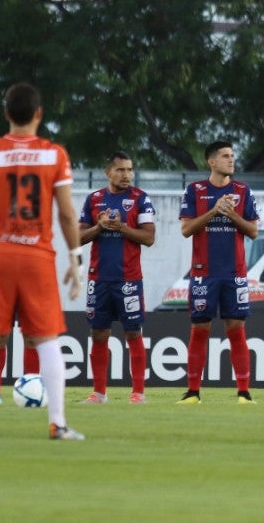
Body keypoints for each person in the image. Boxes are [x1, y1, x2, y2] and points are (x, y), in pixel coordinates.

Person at [0, 82, 85, 439]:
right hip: (38, 255)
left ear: (7, 113)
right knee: (48, 340)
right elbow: (68, 215)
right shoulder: (55, 155)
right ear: (38, 114)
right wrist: (75, 258)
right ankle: (58, 423)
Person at [177, 141, 259, 405]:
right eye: (225, 156)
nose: (231, 160)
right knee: (199, 330)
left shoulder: (243, 191)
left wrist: (232, 215)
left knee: (236, 330)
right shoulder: (195, 191)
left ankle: (244, 393)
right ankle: (193, 393)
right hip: (204, 273)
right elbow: (186, 229)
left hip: (234, 273)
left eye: (233, 156)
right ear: (212, 162)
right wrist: (214, 211)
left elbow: (254, 231)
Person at [78, 151, 156, 404]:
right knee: (99, 334)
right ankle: (99, 393)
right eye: (121, 170)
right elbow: (77, 238)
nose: (127, 175)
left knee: (133, 333)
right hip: (98, 279)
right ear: (108, 172)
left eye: (130, 170)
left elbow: (149, 238)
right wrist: (99, 227)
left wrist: (121, 227)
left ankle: (138, 393)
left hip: (129, 280)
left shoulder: (140, 199)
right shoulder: (94, 199)